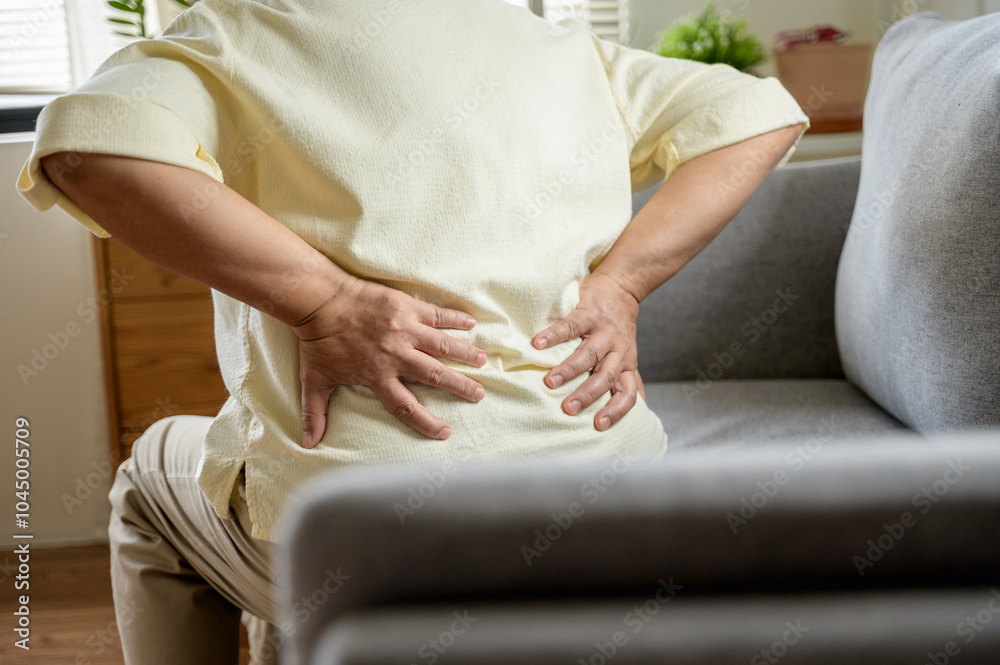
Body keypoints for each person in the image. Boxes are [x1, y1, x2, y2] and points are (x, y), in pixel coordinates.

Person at [17, 0, 808, 662]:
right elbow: (757, 114)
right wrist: (625, 281)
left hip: (378, 546)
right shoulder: (560, 46)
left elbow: (84, 147)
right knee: (250, 482)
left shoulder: (236, 30)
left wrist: (327, 302)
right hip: (618, 520)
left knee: (150, 486)